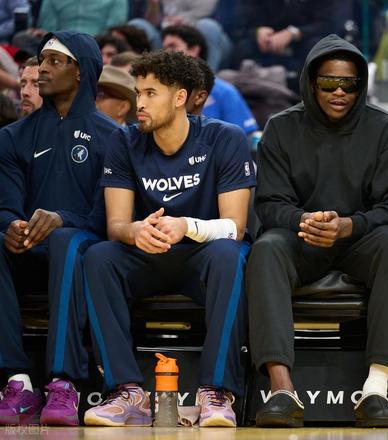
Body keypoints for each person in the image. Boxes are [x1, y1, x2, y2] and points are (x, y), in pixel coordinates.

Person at [247, 34, 388, 428]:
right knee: (266, 249)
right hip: (302, 237)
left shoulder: (384, 128)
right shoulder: (281, 127)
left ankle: (376, 388)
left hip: (360, 238)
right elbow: (269, 204)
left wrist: (349, 226)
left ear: (360, 86)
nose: (339, 92)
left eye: (349, 84)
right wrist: (303, 221)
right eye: (328, 83)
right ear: (312, 82)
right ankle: (281, 389)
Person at [82, 50, 255, 428]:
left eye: (150, 93)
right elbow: (116, 224)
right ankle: (125, 391)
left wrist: (187, 226)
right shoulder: (124, 141)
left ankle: (216, 391)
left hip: (202, 255)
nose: (140, 103)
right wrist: (135, 231)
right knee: (99, 256)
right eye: (138, 93)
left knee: (230, 254)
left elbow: (235, 226)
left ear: (179, 97)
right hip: (149, 254)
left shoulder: (224, 138)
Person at [0, 31, 117, 426]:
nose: (42, 69)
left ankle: (63, 381)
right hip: (29, 252)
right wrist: (12, 226)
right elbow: (5, 206)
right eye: (42, 60)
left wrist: (64, 218)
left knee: (66, 239)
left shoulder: (113, 137)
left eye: (54, 61)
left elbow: (108, 217)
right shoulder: (12, 137)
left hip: (85, 255)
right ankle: (17, 381)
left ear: (80, 71)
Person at [161, 27, 258, 136]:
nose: (166, 53)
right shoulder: (160, 90)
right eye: (164, 48)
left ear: (193, 50)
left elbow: (245, 136)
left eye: (173, 46)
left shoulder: (223, 91)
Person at [230, 0, 340, 93]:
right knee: (243, 48)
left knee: (317, 49)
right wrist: (257, 32)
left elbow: (329, 25)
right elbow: (238, 24)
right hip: (265, 41)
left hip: (303, 41)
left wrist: (294, 33)